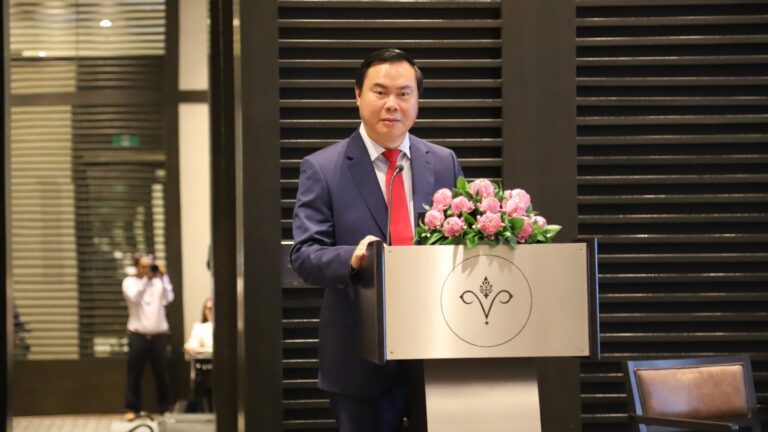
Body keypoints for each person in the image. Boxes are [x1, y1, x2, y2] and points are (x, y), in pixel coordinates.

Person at [290, 49, 463, 431]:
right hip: (359, 355)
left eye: (404, 93)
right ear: (357, 94)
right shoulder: (323, 167)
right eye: (380, 92)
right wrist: (351, 259)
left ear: (417, 100)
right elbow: (304, 255)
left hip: (437, 348)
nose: (392, 104)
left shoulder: (444, 162)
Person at [122, 252, 174, 421]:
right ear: (137, 267)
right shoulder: (130, 282)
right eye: (143, 266)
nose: (147, 269)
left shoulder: (159, 282)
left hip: (158, 336)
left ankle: (165, 408)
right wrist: (145, 279)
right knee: (134, 374)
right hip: (138, 336)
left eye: (149, 265)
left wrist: (164, 276)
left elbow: (169, 298)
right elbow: (135, 297)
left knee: (162, 374)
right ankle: (131, 408)